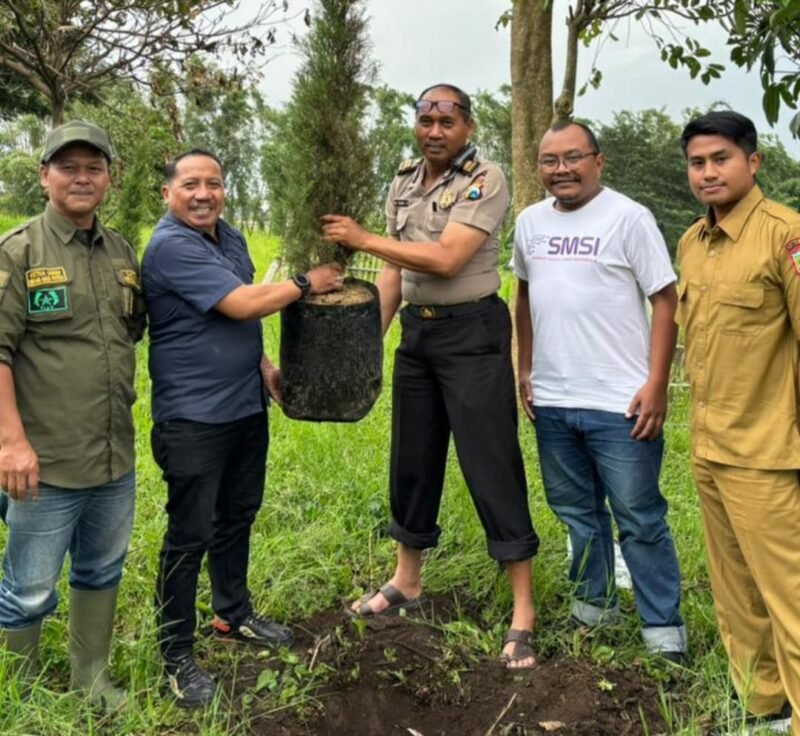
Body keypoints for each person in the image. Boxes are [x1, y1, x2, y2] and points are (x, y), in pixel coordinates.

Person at [321, 83, 539, 669]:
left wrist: (363, 239)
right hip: (418, 335)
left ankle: (523, 608)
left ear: (468, 127)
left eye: (447, 121)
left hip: (472, 334)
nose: (434, 131)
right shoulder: (403, 181)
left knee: (490, 462)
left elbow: (446, 258)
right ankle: (406, 580)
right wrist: (369, 343)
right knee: (411, 459)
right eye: (425, 120)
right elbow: (394, 268)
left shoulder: (484, 179)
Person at [142, 149, 342, 708]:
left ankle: (232, 615)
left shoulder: (228, 238)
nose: (203, 194)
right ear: (168, 193)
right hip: (193, 417)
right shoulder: (170, 246)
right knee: (189, 535)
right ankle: (176, 655)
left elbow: (237, 324)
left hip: (244, 407)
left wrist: (264, 368)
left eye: (213, 183)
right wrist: (307, 281)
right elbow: (241, 305)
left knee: (237, 517)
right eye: (190, 184)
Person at [511, 120, 687, 662]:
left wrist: (656, 384)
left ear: (598, 161)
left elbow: (665, 300)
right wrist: (525, 367)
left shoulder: (629, 218)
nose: (561, 169)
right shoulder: (530, 222)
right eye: (550, 160)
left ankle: (663, 628)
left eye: (574, 157)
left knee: (639, 516)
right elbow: (524, 296)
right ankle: (594, 606)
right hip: (553, 400)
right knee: (576, 512)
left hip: (621, 401)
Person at [0, 121, 145, 710]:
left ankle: (91, 679)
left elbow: (135, 333)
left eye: (94, 168)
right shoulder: (19, 251)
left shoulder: (122, 253)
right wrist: (11, 444)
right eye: (68, 167)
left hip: (113, 455)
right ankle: (21, 692)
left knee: (101, 570)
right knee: (30, 587)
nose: (82, 178)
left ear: (108, 178)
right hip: (45, 461)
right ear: (44, 177)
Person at [677, 111, 799, 734]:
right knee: (736, 595)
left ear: (752, 162)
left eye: (720, 158)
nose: (708, 172)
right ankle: (762, 706)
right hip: (709, 446)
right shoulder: (691, 243)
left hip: (768, 452)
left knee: (791, 597)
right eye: (697, 162)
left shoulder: (786, 236)